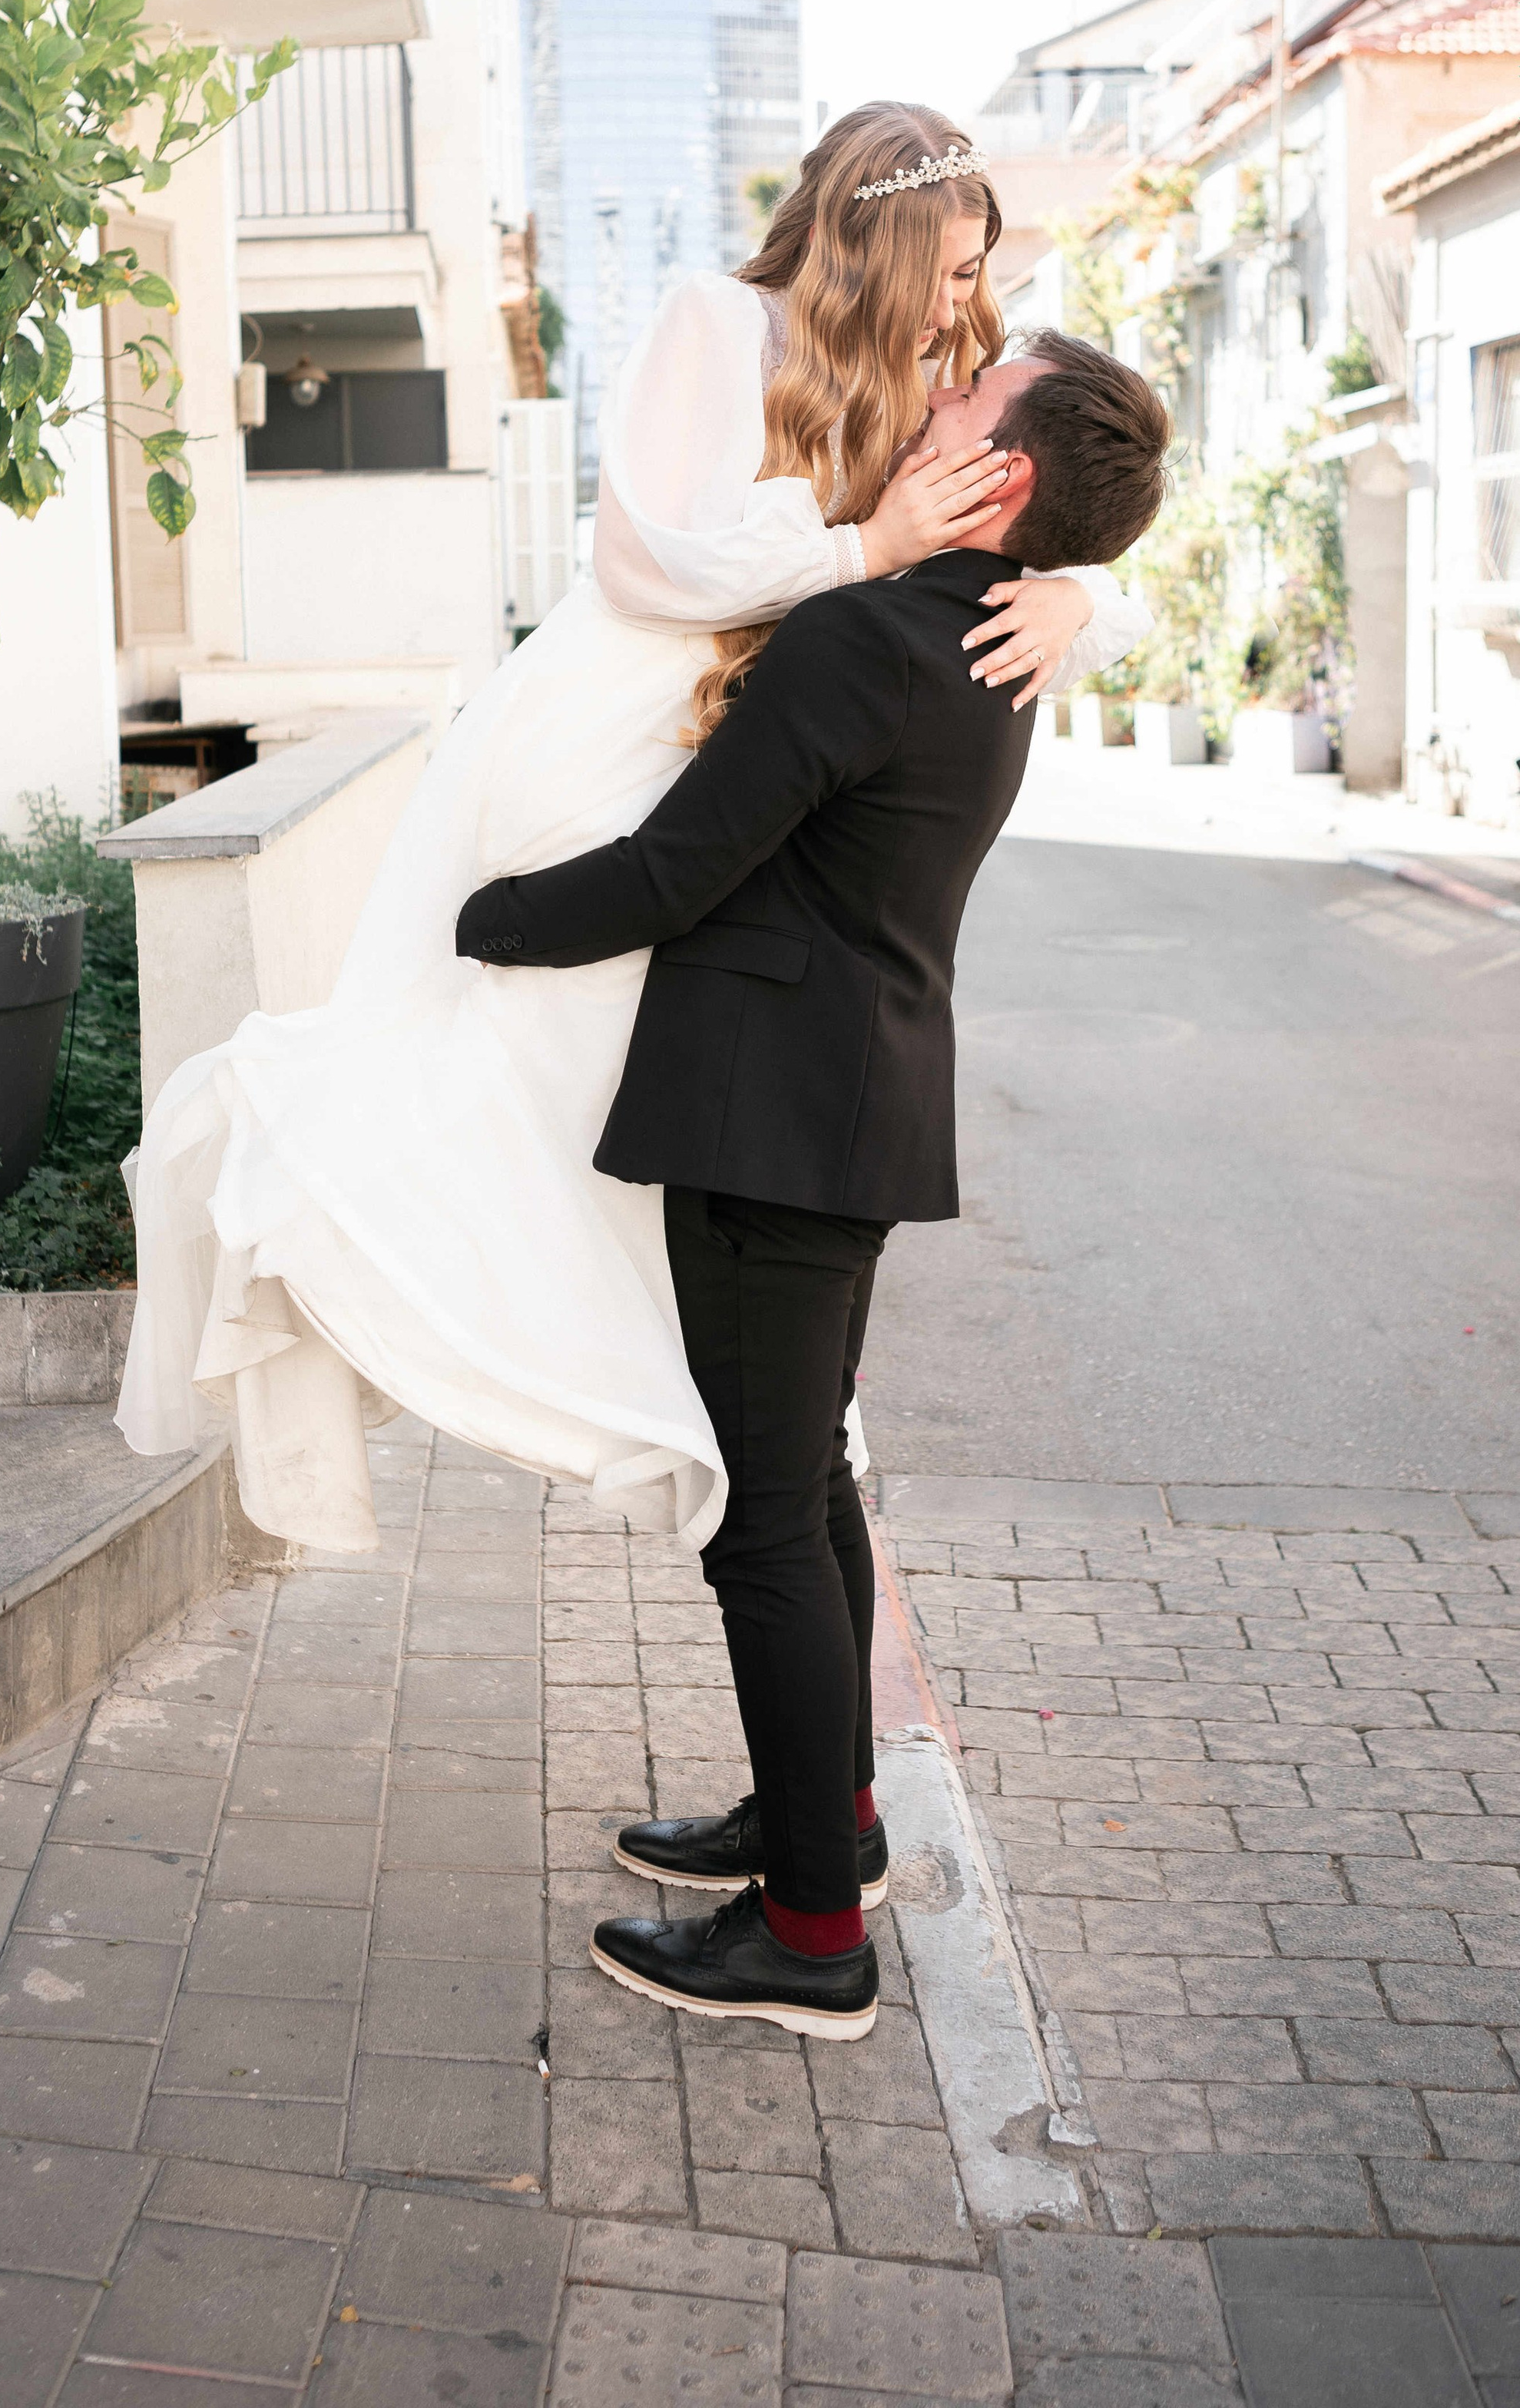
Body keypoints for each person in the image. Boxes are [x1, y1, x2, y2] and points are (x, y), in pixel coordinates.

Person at [116, 106, 1151, 1563]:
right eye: (957, 264)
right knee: (504, 1065)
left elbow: (1101, 484)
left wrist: (1085, 599)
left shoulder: (956, 370)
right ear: (880, 235)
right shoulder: (718, 325)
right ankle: (542, 1359)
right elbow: (646, 556)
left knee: (673, 1119)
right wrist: (867, 546)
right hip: (622, 716)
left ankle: (741, 1447)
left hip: (761, 736)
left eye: (983, 271)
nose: (969, 304)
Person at [455, 326, 1173, 2039]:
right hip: (831, 1115)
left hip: (769, 1123)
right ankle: (819, 1823)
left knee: (763, 1518)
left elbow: (677, 868)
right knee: (810, 1492)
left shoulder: (869, 635)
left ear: (999, 478)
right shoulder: (984, 649)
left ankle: (806, 1938)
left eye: (962, 405)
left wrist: (477, 919)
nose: (929, 405)